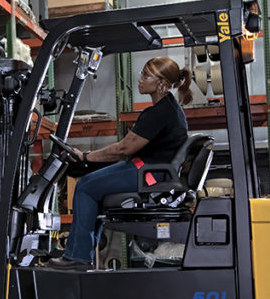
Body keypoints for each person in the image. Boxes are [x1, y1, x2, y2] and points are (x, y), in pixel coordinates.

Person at [48, 56, 192, 270]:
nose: (140, 78)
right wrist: (90, 158)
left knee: (85, 187)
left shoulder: (159, 113)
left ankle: (77, 257)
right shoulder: (170, 109)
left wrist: (86, 157)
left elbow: (123, 149)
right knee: (94, 185)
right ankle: (81, 253)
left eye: (146, 75)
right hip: (153, 171)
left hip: (149, 174)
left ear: (161, 83)